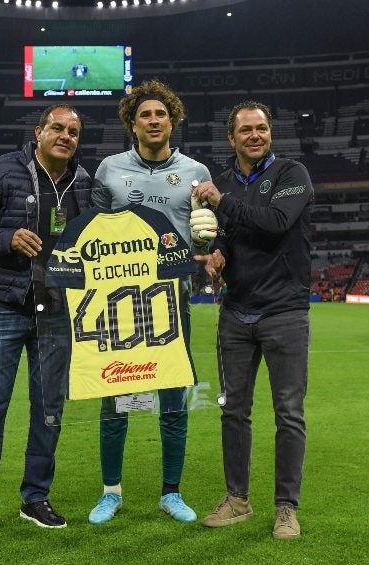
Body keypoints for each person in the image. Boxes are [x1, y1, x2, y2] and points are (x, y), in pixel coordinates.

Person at [0, 103, 92, 539]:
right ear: (39, 132)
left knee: (49, 410)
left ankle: (35, 498)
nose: (65, 135)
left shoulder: (83, 183)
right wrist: (7, 238)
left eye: (73, 130)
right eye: (57, 127)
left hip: (56, 310)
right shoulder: (2, 170)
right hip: (1, 308)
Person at [87, 79, 213, 525]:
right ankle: (110, 493)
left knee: (174, 399)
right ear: (132, 123)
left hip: (173, 299)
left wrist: (207, 243)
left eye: (161, 114)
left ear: (172, 120)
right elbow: (93, 231)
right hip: (119, 303)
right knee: (115, 398)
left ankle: (170, 493)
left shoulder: (197, 172)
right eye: (145, 114)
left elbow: (202, 230)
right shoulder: (109, 169)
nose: (154, 120)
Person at [191, 100, 313, 540]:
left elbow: (277, 223)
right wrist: (218, 256)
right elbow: (228, 233)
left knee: (289, 413)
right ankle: (238, 499)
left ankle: (286, 508)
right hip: (236, 313)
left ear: (270, 133)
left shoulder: (291, 175)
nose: (255, 135)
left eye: (261, 128)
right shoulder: (222, 181)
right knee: (233, 412)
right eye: (246, 130)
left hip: (285, 312)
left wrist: (223, 201)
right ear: (232, 138)